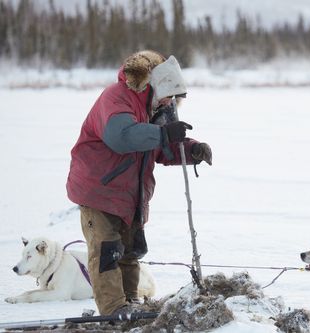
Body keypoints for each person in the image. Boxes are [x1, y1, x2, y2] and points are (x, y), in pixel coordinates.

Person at [66, 50, 212, 316]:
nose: (171, 102)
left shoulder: (158, 107)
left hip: (130, 195)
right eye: (169, 95)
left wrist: (193, 150)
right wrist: (162, 133)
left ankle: (130, 302)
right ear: (155, 86)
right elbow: (121, 136)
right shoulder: (117, 97)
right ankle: (113, 310)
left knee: (130, 250)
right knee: (107, 251)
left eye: (173, 98)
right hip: (100, 188)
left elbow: (164, 147)